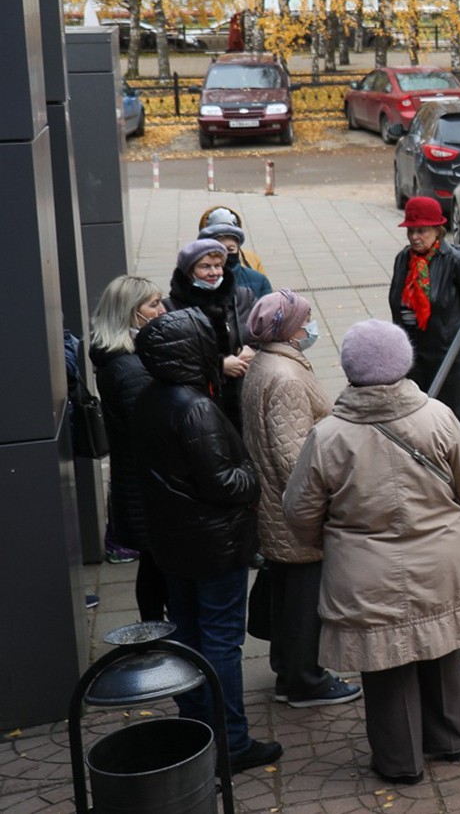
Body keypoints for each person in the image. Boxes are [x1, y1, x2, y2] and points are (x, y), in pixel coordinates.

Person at [284, 319, 460, 786]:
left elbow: (298, 511)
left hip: (364, 574)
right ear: (404, 363)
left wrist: (325, 543)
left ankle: (400, 760)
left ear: (350, 370)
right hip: (442, 562)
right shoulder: (437, 417)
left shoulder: (328, 436)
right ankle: (453, 736)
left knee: (386, 664)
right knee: (438, 647)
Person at [133, 307, 281, 772]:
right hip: (212, 546)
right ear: (189, 351)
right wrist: (254, 475)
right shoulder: (194, 408)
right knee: (219, 642)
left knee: (189, 636)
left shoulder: (150, 397)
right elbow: (223, 484)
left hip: (174, 544)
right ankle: (231, 742)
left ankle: (198, 730)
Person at [240, 289, 360, 709]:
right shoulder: (286, 377)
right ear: (289, 328)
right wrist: (325, 504)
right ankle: (306, 680)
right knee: (304, 598)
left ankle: (288, 671)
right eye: (305, 318)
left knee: (288, 592)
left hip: (274, 506)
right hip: (292, 512)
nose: (312, 325)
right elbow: (295, 457)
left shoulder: (266, 363)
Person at [88, 274, 169, 619]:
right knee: (159, 565)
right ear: (129, 313)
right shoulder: (130, 367)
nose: (163, 310)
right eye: (153, 304)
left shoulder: (121, 358)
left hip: (138, 482)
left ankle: (156, 635)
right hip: (147, 486)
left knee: (154, 565)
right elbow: (154, 429)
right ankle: (158, 639)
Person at [387, 196, 460, 434]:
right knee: (417, 422)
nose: (414, 237)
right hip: (413, 353)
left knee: (452, 423)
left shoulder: (456, 260)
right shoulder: (403, 259)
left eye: (422, 231)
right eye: (411, 231)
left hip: (446, 353)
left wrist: (450, 329)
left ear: (437, 231)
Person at [167, 238, 256, 430]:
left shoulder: (242, 297)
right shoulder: (172, 309)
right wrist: (218, 366)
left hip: (244, 401)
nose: (214, 273)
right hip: (201, 404)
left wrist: (253, 350)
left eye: (218, 266)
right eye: (205, 267)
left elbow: (263, 335)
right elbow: (173, 361)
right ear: (189, 271)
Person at [200, 220, 273, 300]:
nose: (225, 254)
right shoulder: (197, 281)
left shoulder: (259, 280)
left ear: (238, 250)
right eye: (219, 250)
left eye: (230, 249)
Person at [199, 204, 267, 274]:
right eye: (218, 249)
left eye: (230, 249)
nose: (225, 255)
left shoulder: (252, 259)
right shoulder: (195, 262)